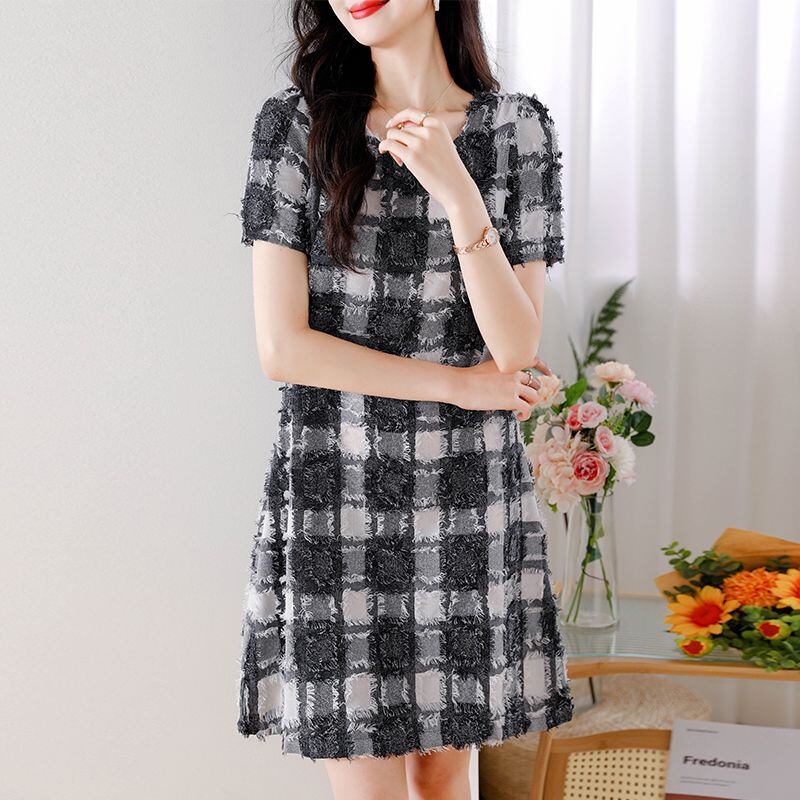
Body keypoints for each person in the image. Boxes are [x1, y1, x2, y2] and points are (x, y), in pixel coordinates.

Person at [236, 1, 574, 798]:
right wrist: (459, 384)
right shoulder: (295, 127)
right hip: (339, 488)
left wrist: (460, 195)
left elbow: (514, 346)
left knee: (444, 775)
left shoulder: (517, 130)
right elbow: (283, 349)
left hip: (467, 490)